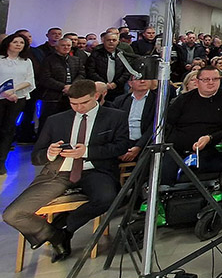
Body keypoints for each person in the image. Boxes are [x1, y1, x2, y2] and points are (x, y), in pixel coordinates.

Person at [3, 79, 129, 262]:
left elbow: (121, 147)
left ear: (96, 96)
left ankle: (65, 227)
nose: (79, 108)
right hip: (59, 172)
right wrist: (50, 153)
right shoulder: (56, 120)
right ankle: (55, 235)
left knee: (107, 198)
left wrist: (87, 151)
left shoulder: (115, 117)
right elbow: (35, 157)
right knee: (12, 214)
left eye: (84, 103)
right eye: (73, 104)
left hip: (95, 170)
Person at [162, 65, 222, 185]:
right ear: (197, 82)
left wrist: (209, 138)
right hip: (178, 148)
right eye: (206, 79)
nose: (211, 82)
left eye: (215, 79)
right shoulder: (184, 99)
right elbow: (168, 122)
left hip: (211, 147)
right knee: (164, 171)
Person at [0, 33, 36, 174]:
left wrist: (13, 90)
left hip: (17, 98)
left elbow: (29, 80)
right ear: (8, 43)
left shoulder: (26, 61)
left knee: (8, 129)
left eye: (21, 43)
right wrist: (4, 92)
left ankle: (1, 161)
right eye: (15, 42)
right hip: (1, 97)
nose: (18, 45)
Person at [110, 76, 160, 163]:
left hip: (146, 144)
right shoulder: (120, 100)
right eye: (138, 79)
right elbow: (113, 125)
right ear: (130, 83)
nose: (143, 81)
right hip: (122, 142)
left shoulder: (158, 101)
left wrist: (138, 147)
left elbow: (155, 126)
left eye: (146, 78)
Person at [84, 29, 134, 102]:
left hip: (118, 88)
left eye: (114, 40)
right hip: (99, 88)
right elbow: (90, 71)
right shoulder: (95, 54)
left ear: (118, 42)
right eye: (108, 40)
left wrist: (116, 83)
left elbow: (127, 71)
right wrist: (104, 84)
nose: (111, 42)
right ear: (103, 41)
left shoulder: (123, 55)